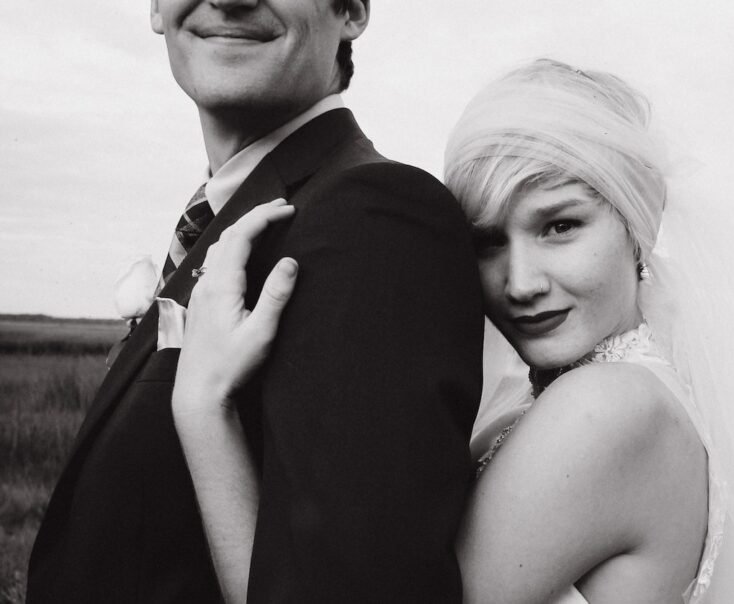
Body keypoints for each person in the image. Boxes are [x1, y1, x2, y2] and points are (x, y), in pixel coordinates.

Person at [175, 58, 734, 602]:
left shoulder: (609, 410)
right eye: (487, 241)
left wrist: (204, 412)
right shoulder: (600, 397)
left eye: (559, 226)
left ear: (638, 224)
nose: (519, 282)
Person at [27, 1, 484, 602]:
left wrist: (203, 407)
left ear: (351, 10)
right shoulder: (235, 211)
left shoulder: (375, 219)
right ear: (157, 7)